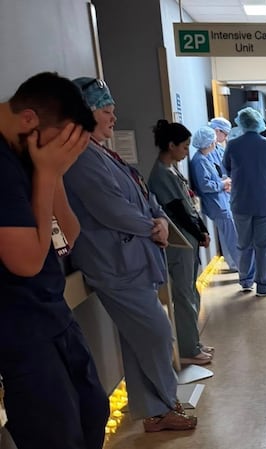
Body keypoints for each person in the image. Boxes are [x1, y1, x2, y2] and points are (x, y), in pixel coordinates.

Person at [64, 77, 197, 432]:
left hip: (133, 260)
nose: (113, 118)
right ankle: (166, 405)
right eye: (107, 111)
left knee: (140, 338)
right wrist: (152, 226)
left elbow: (142, 196)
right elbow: (111, 209)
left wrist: (159, 221)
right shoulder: (80, 160)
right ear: (84, 113)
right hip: (115, 266)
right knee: (155, 334)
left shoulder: (103, 153)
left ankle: (154, 411)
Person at [0, 72, 109, 449]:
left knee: (93, 410)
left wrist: (54, 173)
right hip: (18, 326)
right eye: (61, 143)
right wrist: (46, 175)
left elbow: (65, 241)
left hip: (53, 312)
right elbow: (27, 262)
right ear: (29, 119)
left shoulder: (30, 153)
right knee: (56, 433)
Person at [148, 120, 213, 366]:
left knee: (191, 292)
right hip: (180, 243)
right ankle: (188, 347)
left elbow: (188, 205)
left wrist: (202, 230)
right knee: (184, 296)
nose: (187, 151)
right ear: (171, 145)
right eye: (184, 146)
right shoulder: (160, 174)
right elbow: (178, 210)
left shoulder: (172, 170)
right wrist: (198, 233)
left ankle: (192, 341)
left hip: (189, 240)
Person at [224, 107, 266, 297]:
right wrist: (265, 182)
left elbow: (227, 169)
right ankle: (263, 285)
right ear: (259, 122)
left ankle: (245, 280)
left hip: (240, 202)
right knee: (263, 245)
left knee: (243, 243)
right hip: (265, 202)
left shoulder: (232, 145)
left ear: (241, 123)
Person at [190, 126, 240, 272]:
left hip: (220, 202)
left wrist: (223, 183)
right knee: (232, 238)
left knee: (230, 236)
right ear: (209, 142)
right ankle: (243, 268)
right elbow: (205, 185)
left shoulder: (204, 159)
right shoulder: (200, 161)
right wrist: (222, 184)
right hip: (217, 205)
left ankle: (238, 265)